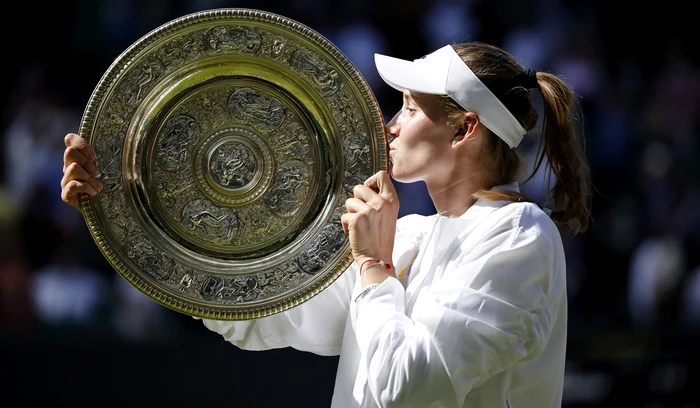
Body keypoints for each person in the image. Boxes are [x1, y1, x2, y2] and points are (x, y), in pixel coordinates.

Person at [61, 41, 591, 407]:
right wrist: (127, 201)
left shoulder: (519, 235)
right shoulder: (412, 236)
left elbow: (407, 388)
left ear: (463, 129)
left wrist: (374, 266)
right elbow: (262, 314)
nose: (390, 124)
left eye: (408, 108)